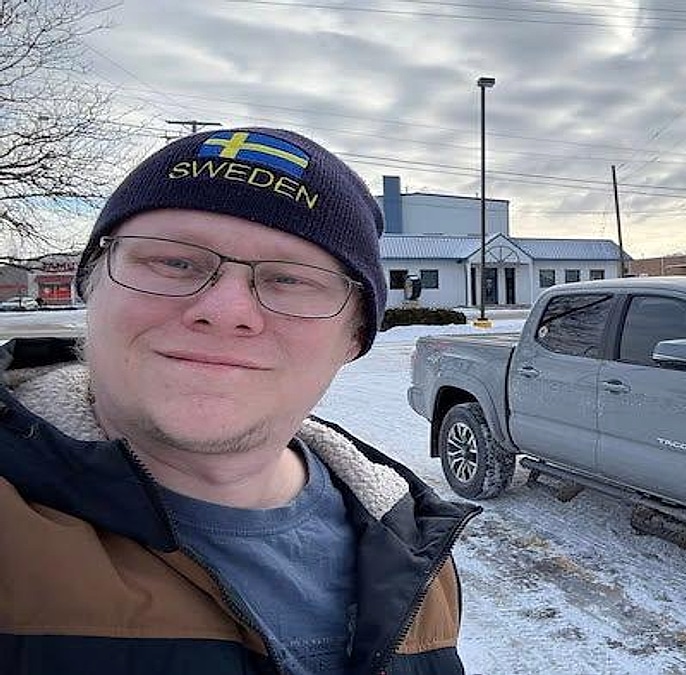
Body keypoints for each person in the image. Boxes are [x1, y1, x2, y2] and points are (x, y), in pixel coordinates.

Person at [0, 128, 479, 674]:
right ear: (93, 286)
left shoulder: (406, 542)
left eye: (290, 279)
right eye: (174, 262)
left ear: (354, 337)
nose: (226, 310)